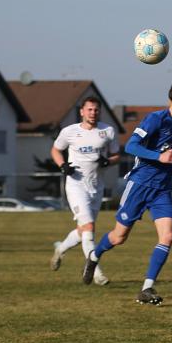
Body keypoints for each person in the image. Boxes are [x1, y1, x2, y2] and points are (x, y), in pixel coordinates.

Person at [82, 80, 172, 305]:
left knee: (168, 236)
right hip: (140, 185)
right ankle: (94, 256)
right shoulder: (156, 119)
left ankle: (146, 289)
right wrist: (159, 157)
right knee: (119, 237)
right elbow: (131, 146)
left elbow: (170, 152)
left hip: (162, 188)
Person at [49, 96, 119, 285]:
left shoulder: (108, 131)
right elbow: (55, 150)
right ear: (82, 112)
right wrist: (63, 165)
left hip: (96, 187)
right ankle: (96, 273)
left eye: (96, 110)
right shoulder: (69, 131)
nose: (93, 113)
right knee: (89, 228)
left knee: (83, 231)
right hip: (76, 185)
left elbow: (116, 155)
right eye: (89, 109)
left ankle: (60, 249)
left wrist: (108, 161)